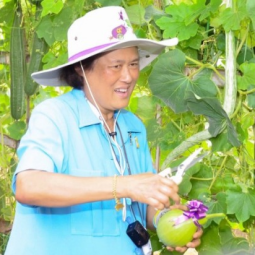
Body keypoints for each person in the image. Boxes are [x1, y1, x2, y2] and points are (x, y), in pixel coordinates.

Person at [5, 6, 202, 255]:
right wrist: (122, 185)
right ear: (81, 69)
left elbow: (143, 206)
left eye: (133, 64)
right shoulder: (54, 115)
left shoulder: (133, 128)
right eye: (116, 66)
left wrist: (172, 221)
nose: (129, 76)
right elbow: (29, 186)